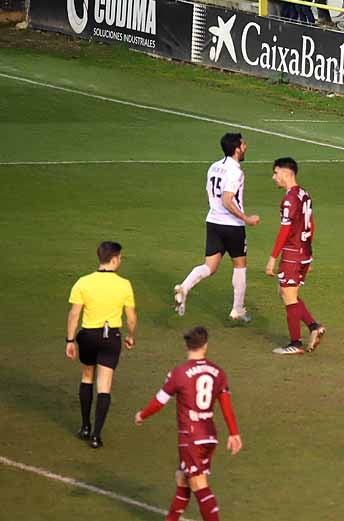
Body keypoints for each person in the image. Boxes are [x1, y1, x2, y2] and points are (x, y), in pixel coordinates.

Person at [134, 326, 242, 521]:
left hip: (191, 437)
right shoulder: (218, 372)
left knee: (199, 484)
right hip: (209, 435)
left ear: (187, 345)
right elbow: (226, 405)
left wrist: (142, 414)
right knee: (183, 478)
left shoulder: (180, 373)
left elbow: (160, 401)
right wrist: (234, 433)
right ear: (205, 346)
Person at [174, 133, 260, 322]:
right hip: (232, 226)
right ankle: (237, 309)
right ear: (237, 148)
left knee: (209, 267)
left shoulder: (214, 166)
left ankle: (184, 287)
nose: (246, 146)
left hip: (213, 222)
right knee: (240, 265)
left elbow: (209, 195)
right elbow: (227, 199)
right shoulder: (235, 171)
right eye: (243, 144)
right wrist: (246, 218)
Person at [66, 241, 138, 449]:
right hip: (111, 337)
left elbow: (74, 315)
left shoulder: (83, 282)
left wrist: (70, 340)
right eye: (120, 257)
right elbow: (131, 317)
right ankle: (96, 435)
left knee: (87, 375)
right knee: (104, 386)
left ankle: (85, 426)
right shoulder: (124, 284)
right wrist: (131, 335)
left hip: (88, 336)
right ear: (114, 259)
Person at [266, 157, 326, 355]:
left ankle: (296, 343)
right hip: (304, 252)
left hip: (293, 253)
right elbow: (312, 224)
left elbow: (284, 231)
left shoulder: (289, 199)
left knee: (289, 296)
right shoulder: (303, 194)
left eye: (276, 173)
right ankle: (314, 327)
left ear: (286, 173)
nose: (273, 177)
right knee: (285, 293)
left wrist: (273, 258)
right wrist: (309, 252)